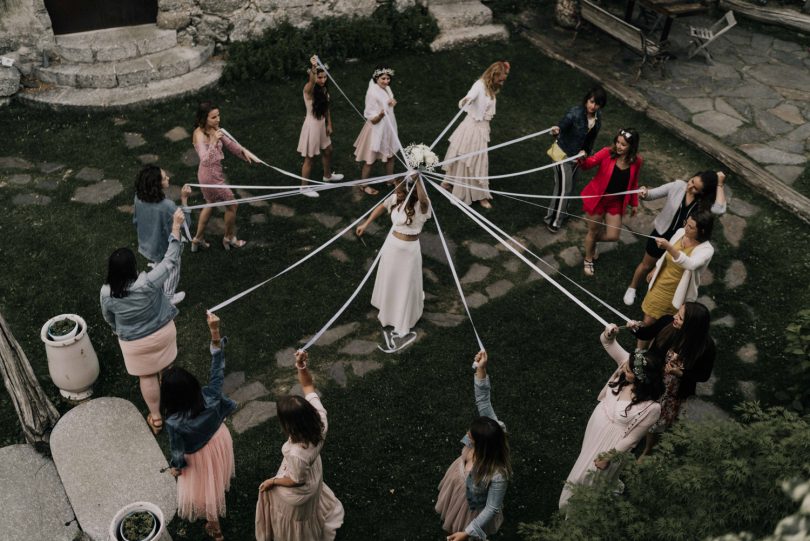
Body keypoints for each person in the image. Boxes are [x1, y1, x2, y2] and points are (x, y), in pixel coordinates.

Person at [559, 324, 664, 509]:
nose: (624, 369)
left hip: (611, 444)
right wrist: (610, 332)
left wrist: (608, 457)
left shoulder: (652, 408)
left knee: (586, 478)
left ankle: (575, 510)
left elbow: (631, 439)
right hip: (596, 429)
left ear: (642, 379)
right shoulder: (628, 364)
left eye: (630, 371)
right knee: (584, 458)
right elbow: (608, 343)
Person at [100, 208, 186, 435]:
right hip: (162, 334)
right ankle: (175, 409)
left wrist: (116, 331)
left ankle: (156, 418)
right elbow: (170, 260)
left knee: (146, 376)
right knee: (166, 370)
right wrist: (176, 227)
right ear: (132, 267)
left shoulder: (106, 293)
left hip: (134, 343)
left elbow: (108, 317)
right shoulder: (148, 282)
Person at [162, 312, 236, 541]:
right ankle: (215, 526)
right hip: (219, 439)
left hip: (200, 455)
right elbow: (217, 367)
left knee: (205, 490)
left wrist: (176, 467)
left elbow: (177, 450)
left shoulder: (173, 421)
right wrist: (214, 332)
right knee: (216, 476)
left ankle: (215, 528)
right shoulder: (210, 395)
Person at [255, 350, 344, 541]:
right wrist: (301, 366)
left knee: (293, 520)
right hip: (313, 471)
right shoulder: (321, 420)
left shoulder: (297, 453)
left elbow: (296, 480)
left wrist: (273, 481)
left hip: (299, 487)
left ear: (289, 425)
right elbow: (308, 385)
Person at [435, 351, 511, 541]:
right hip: (458, 488)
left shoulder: (497, 474)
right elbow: (483, 400)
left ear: (483, 444)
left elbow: (492, 508)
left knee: (460, 530)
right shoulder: (492, 426)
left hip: (471, 508)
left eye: (472, 436)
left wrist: (467, 532)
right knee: (449, 519)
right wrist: (481, 369)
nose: (468, 435)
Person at [623, 171, 727, 305]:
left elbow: (719, 209)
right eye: (691, 181)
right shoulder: (678, 186)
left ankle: (654, 293)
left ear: (703, 192)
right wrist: (644, 193)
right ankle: (632, 287)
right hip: (661, 234)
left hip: (682, 243)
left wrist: (720, 184)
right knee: (646, 265)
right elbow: (651, 194)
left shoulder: (704, 203)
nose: (689, 186)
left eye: (695, 188)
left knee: (667, 269)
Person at [627, 301, 715, 455]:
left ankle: (647, 449)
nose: (674, 317)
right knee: (639, 410)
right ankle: (632, 438)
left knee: (655, 423)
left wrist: (680, 374)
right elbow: (646, 334)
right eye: (678, 313)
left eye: (680, 318)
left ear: (691, 326)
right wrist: (634, 328)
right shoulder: (667, 322)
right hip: (652, 380)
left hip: (672, 392)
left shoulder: (706, 347)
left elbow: (703, 375)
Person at [356, 175, 431, 346]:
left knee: (405, 283)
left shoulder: (421, 204)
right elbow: (381, 207)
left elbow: (423, 200)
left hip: (409, 251)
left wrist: (418, 180)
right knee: (390, 279)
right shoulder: (395, 198)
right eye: (396, 187)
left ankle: (402, 316)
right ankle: (388, 309)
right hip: (392, 246)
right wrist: (366, 224)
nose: (396, 191)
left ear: (409, 189)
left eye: (399, 188)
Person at [440, 61, 510, 209]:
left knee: (472, 158)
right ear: (494, 74)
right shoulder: (479, 85)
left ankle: (452, 184)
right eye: (501, 78)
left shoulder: (491, 88)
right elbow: (470, 96)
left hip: (482, 128)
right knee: (470, 159)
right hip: (472, 127)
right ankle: (477, 195)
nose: (502, 81)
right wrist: (467, 99)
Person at [191, 101, 257, 251]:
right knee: (233, 205)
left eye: (218, 115)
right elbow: (205, 160)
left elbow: (230, 144)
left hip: (210, 174)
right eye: (213, 117)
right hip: (210, 176)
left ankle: (197, 239)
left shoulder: (215, 129)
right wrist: (214, 142)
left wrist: (244, 153)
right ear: (204, 118)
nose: (218, 119)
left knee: (209, 203)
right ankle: (229, 238)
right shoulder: (199, 134)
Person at [578, 128, 642, 277]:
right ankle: (588, 258)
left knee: (613, 235)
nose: (619, 146)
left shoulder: (637, 161)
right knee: (593, 231)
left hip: (616, 202)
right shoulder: (607, 152)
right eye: (618, 142)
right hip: (598, 198)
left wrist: (634, 203)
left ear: (632, 147)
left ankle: (592, 241)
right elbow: (588, 164)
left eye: (623, 144)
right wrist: (582, 158)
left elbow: (634, 182)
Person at [639, 211, 715, 332]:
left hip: (679, 294)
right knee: (648, 322)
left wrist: (669, 246)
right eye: (686, 223)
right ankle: (640, 348)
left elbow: (690, 264)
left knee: (665, 328)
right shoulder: (680, 232)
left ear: (702, 231)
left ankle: (654, 349)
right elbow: (666, 255)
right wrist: (656, 268)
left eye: (690, 227)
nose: (685, 227)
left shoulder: (707, 250)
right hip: (660, 284)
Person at [545, 86, 607, 233]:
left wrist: (586, 152)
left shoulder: (597, 119)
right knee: (563, 189)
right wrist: (556, 130)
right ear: (586, 100)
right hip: (562, 154)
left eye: (597, 104)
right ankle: (553, 220)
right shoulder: (574, 113)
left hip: (577, 158)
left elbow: (591, 139)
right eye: (591, 102)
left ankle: (562, 213)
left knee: (570, 186)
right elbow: (561, 127)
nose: (593, 106)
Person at [133, 164, 192, 304]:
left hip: (147, 243)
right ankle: (169, 297)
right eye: (165, 178)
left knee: (159, 263)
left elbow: (135, 220)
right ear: (156, 185)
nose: (168, 178)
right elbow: (186, 225)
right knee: (173, 269)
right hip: (164, 247)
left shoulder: (138, 197)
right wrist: (184, 200)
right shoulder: (168, 206)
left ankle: (157, 270)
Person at [297, 55, 344, 198]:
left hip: (321, 126)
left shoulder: (323, 89)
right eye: (320, 77)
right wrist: (313, 67)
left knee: (328, 150)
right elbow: (312, 80)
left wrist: (329, 123)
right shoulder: (309, 89)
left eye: (325, 77)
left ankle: (327, 176)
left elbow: (326, 108)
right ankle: (303, 188)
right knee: (309, 159)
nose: (323, 80)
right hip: (312, 127)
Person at [353, 66, 398, 196]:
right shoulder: (372, 93)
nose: (386, 81)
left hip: (388, 128)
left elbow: (388, 103)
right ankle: (364, 185)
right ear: (376, 78)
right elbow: (372, 118)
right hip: (376, 130)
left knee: (390, 155)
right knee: (370, 159)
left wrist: (391, 103)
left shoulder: (386, 89)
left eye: (388, 78)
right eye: (383, 78)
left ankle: (390, 179)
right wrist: (381, 115)